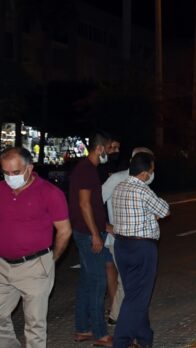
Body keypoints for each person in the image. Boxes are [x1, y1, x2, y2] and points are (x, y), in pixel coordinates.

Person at [0, 147, 72, 348]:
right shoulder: (0, 189)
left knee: (34, 325)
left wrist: (51, 260)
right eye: (5, 172)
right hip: (2, 265)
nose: (10, 177)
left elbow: (65, 230)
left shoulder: (50, 193)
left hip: (34, 265)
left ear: (29, 168)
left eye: (15, 172)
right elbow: (1, 219)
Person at [111, 152, 170, 348]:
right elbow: (164, 210)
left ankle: (145, 337)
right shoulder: (142, 190)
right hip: (141, 248)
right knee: (137, 297)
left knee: (134, 294)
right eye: (151, 170)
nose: (151, 174)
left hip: (121, 246)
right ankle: (121, 341)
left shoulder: (119, 187)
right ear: (145, 173)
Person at [69, 131, 113, 346]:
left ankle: (82, 329)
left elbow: (91, 206)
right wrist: (96, 234)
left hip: (87, 231)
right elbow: (84, 204)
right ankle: (100, 333)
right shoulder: (86, 170)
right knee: (98, 283)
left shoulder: (87, 169)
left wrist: (104, 226)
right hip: (88, 235)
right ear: (100, 148)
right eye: (109, 148)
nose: (110, 152)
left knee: (87, 283)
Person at [102, 147, 154, 326]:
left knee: (131, 279)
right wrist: (105, 226)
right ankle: (118, 317)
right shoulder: (116, 179)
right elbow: (93, 202)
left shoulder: (146, 181)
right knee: (128, 280)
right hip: (119, 240)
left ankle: (122, 316)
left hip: (139, 240)